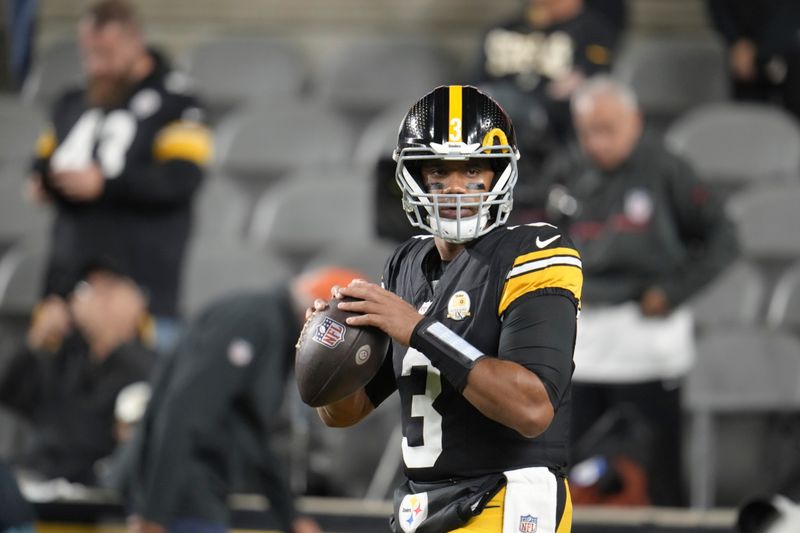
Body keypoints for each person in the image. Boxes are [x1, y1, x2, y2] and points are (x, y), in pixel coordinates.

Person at [312, 85, 581, 533]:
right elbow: (345, 411)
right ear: (414, 177)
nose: (456, 187)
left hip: (506, 495)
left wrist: (419, 328)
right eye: (440, 171)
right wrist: (328, 343)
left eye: (472, 168)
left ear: (499, 174)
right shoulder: (406, 264)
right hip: (421, 505)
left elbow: (532, 409)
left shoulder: (534, 251)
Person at [536, 76, 739, 506]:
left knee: (661, 467)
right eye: (588, 130)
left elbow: (724, 239)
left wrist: (673, 291)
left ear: (636, 122)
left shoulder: (668, 169)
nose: (597, 141)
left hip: (649, 337)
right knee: (570, 466)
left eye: (609, 129)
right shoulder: (566, 170)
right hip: (583, 341)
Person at [120, 268, 366, 533]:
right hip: (181, 497)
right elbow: (184, 411)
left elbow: (252, 432)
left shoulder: (273, 332)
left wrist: (291, 517)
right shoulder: (253, 320)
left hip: (201, 494)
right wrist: (154, 514)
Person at [26, 0, 212, 350]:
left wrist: (107, 185)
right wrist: (41, 183)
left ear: (134, 42)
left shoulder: (178, 101)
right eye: (89, 54)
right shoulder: (73, 102)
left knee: (137, 396)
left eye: (106, 53)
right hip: (67, 284)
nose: (97, 64)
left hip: (141, 289)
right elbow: (43, 162)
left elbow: (182, 179)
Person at [0, 261, 156, 486]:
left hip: (98, 493)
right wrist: (36, 341)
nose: (99, 300)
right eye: (89, 289)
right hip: (38, 479)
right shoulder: (65, 361)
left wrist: (111, 339)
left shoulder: (148, 364)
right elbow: (9, 391)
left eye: (110, 289)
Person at [475, 0, 616, 147]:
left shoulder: (593, 32)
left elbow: (597, 84)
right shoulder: (502, 31)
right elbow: (475, 83)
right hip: (495, 125)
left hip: (556, 134)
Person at [706, 0, 800, 120]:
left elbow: (791, 11)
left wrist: (759, 51)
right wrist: (736, 42)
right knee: (747, 119)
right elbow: (718, 7)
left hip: (784, 51)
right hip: (742, 60)